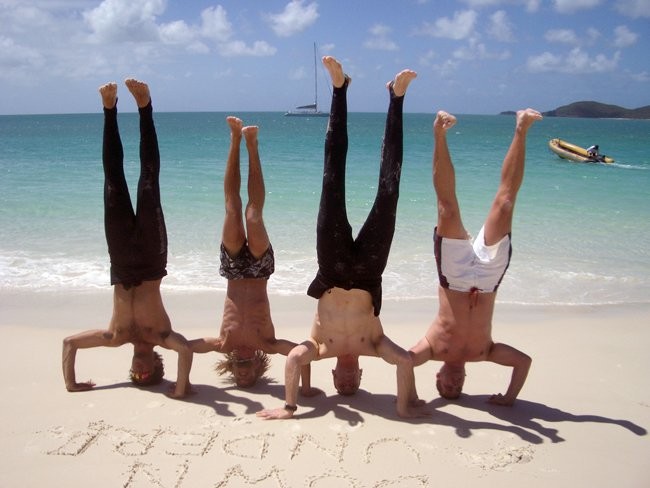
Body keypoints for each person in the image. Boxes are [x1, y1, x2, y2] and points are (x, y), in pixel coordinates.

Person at [257, 56, 425, 420]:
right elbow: (407, 361)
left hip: (332, 271)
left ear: (334, 375)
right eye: (353, 384)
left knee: (331, 180)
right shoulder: (375, 346)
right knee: (389, 189)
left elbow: (293, 358)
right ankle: (396, 99)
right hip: (368, 273)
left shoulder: (319, 348)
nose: (347, 382)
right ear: (361, 375)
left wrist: (291, 405)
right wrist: (404, 405)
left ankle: (339, 90)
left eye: (342, 384)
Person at [62, 79, 193, 399]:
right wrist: (179, 387)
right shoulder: (162, 336)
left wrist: (70, 382)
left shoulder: (114, 336)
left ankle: (109, 109)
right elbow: (186, 351)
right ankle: (145, 106)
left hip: (120, 261)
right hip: (151, 258)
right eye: (147, 375)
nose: (140, 371)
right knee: (149, 179)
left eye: (136, 376)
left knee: (113, 182)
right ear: (157, 367)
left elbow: (69, 343)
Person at [408, 108, 542, 406]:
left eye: (447, 387)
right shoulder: (484, 353)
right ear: (465, 382)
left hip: (454, 277)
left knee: (446, 209)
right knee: (505, 203)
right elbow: (523, 362)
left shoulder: (431, 350)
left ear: (438, 378)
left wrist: (411, 399)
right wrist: (508, 398)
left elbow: (403, 361)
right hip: (488, 280)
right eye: (458, 388)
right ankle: (521, 128)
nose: (454, 384)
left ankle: (439, 134)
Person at [188, 117, 313, 390]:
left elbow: (184, 347)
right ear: (258, 366)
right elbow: (303, 354)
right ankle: (253, 145)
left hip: (232, 271)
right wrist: (305, 388)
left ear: (232, 366)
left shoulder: (223, 344)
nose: (243, 370)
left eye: (239, 372)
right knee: (253, 215)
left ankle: (234, 140)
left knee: (233, 208)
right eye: (249, 373)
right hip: (259, 270)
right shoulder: (267, 344)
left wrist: (182, 383)